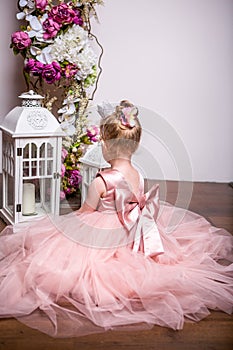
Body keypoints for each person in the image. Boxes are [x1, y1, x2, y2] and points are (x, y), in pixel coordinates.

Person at [0, 100, 232, 338]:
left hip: (107, 228)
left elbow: (86, 213)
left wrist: (67, 228)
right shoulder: (139, 174)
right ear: (136, 144)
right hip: (137, 227)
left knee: (68, 254)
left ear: (105, 146)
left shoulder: (102, 180)